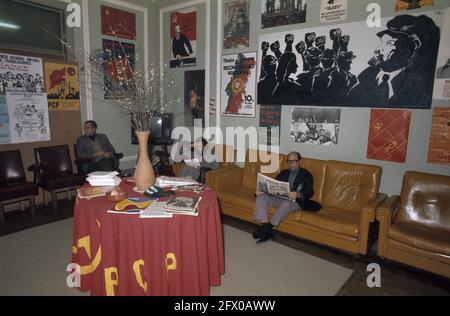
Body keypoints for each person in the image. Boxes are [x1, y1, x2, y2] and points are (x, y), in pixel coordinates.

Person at [348, 14, 440, 108]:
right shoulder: (366, 77)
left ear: (410, 49)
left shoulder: (419, 86)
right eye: (382, 42)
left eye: (389, 43)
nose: (378, 49)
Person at [252, 151, 320, 243]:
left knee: (286, 203)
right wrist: (262, 190)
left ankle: (267, 228)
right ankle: (265, 227)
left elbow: (310, 191)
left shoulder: (306, 175)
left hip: (295, 201)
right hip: (279, 198)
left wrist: (298, 194)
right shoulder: (284, 173)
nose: (291, 164)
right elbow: (274, 186)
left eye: (294, 161)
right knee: (261, 198)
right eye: (288, 161)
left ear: (300, 162)